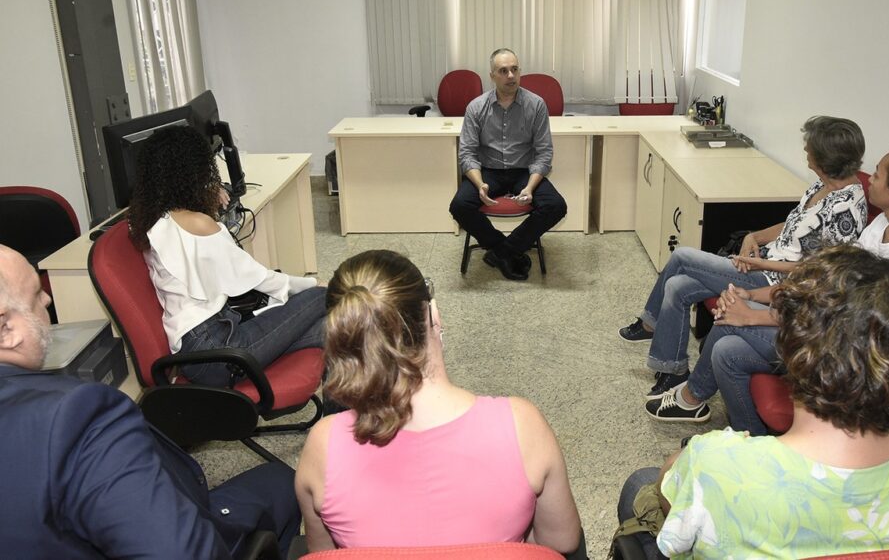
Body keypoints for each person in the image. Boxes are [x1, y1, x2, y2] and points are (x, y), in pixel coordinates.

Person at [617, 246, 889, 559]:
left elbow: (670, 489)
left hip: (708, 473)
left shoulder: (715, 463)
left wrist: (690, 461)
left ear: (788, 347)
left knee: (641, 484)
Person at [0, 244, 301, 558]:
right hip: (197, 532)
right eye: (36, 294)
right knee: (283, 481)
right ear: (6, 328)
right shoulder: (77, 417)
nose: (48, 299)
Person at [651, 146, 889, 433]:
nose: (870, 180)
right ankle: (749, 437)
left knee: (726, 333)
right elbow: (828, 287)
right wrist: (752, 297)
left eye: (878, 174)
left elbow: (846, 320)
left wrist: (752, 318)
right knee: (725, 350)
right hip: (835, 329)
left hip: (862, 357)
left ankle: (693, 400)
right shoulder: (882, 226)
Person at [295, 250, 585, 557]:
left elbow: (324, 553)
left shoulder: (323, 443)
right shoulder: (522, 424)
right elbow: (561, 541)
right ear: (433, 314)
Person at [618, 115, 868, 403]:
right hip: (766, 263)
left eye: (809, 149)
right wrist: (756, 236)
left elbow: (818, 272)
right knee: (678, 286)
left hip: (776, 280)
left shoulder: (846, 210)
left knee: (683, 256)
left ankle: (650, 325)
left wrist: (762, 263)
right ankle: (672, 370)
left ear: (825, 159)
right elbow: (792, 225)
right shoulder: (822, 185)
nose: (805, 153)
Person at [128, 125, 326, 386]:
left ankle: (340, 419)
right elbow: (261, 279)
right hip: (222, 351)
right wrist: (316, 284)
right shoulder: (198, 223)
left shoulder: (149, 220)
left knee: (332, 331)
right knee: (323, 297)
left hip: (197, 353)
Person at [449, 48, 567, 281]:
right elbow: (467, 153)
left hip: (524, 171)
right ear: (492, 76)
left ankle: (501, 252)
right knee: (460, 206)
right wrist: (480, 183)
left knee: (556, 206)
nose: (510, 75)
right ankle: (506, 249)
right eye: (503, 71)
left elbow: (544, 153)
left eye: (514, 69)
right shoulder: (476, 107)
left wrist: (530, 187)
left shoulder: (536, 105)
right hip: (488, 171)